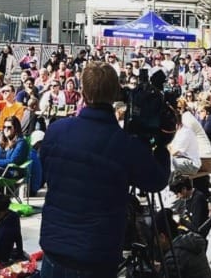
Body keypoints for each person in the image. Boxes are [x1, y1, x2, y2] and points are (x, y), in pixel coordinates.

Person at [39, 62, 171, 278]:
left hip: (55, 248)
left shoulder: (56, 131)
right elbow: (157, 180)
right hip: (95, 255)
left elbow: (46, 170)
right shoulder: (124, 144)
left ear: (83, 92)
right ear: (116, 94)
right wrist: (162, 144)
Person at [153, 209, 211, 278]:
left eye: (155, 238)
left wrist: (161, 271)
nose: (155, 242)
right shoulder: (190, 242)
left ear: (162, 237)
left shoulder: (173, 258)